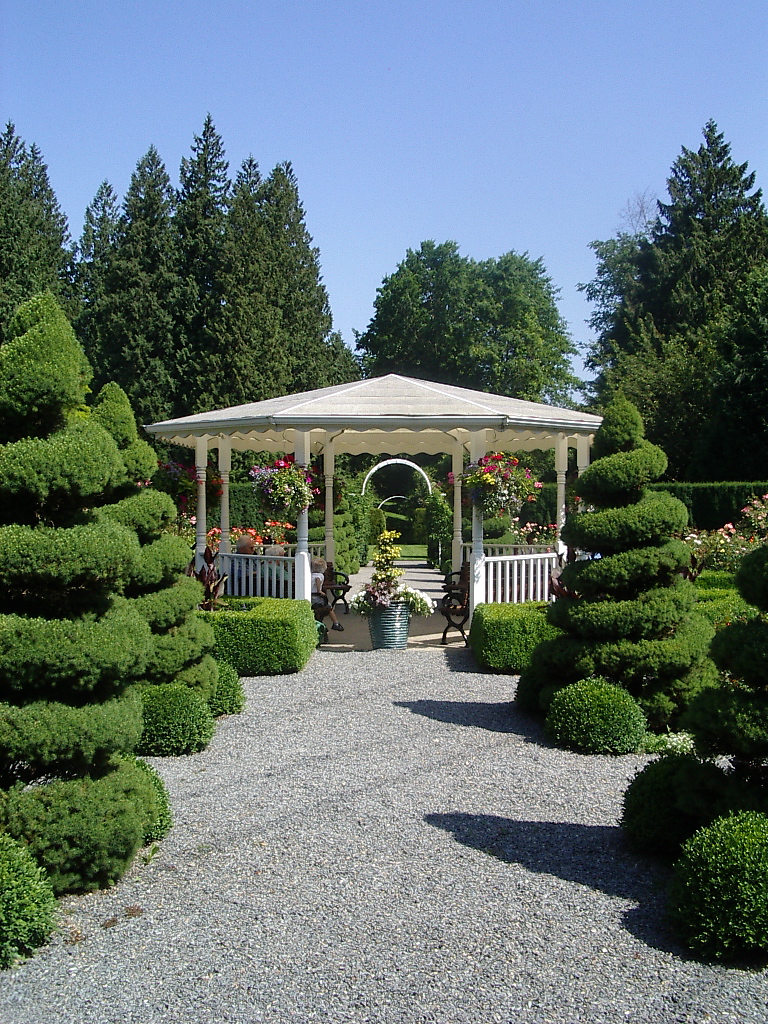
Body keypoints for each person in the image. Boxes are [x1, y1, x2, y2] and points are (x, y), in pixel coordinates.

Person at [310, 556, 344, 631]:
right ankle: (336, 623)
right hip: (316, 597)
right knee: (329, 607)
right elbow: (317, 580)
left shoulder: (310, 575)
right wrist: (319, 590)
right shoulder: (319, 576)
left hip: (310, 596)